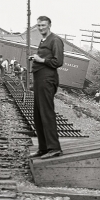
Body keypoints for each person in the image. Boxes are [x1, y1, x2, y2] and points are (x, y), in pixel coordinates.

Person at [29, 16, 64, 160]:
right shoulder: (44, 40)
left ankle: (54, 148)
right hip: (39, 80)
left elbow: (58, 61)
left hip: (47, 80)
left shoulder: (55, 40)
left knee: (47, 114)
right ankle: (43, 148)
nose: (41, 28)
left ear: (49, 25)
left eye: (43, 25)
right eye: (38, 25)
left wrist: (40, 60)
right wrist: (37, 59)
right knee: (38, 115)